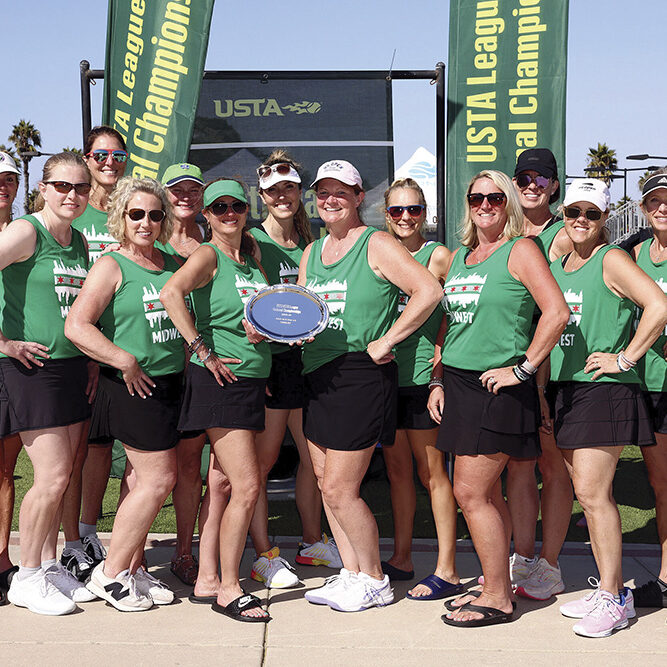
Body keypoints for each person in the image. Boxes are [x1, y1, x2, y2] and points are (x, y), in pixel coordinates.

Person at [299, 160, 442, 612]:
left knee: (342, 488)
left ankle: (375, 580)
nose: (331, 199)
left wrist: (390, 338)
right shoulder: (312, 251)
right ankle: (352, 572)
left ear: (360, 198)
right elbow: (304, 310)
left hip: (361, 374)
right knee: (325, 482)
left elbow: (428, 292)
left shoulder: (376, 243)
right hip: (317, 373)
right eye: (323, 192)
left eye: (342, 191)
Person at [432, 169, 569, 628]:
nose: (485, 205)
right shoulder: (461, 258)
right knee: (483, 492)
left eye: (494, 197)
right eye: (476, 197)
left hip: (499, 388)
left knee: (469, 492)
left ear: (508, 202)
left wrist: (524, 368)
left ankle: (496, 597)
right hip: (460, 385)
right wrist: (437, 382)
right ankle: (498, 584)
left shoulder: (521, 250)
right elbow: (450, 325)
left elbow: (557, 311)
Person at [549, 179, 667, 637]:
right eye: (573, 211)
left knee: (595, 496)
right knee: (588, 493)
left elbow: (657, 305)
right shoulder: (560, 264)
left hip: (605, 389)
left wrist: (626, 357)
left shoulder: (612, 258)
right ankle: (608, 590)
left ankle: (617, 598)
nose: (580, 219)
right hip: (567, 389)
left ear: (603, 221)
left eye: (591, 214)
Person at [65, 176, 184, 611]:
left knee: (138, 480)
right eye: (136, 214)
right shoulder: (111, 265)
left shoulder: (171, 265)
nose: (146, 222)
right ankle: (111, 575)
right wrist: (123, 359)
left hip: (172, 384)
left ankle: (134, 569)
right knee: (159, 479)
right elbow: (77, 325)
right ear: (120, 217)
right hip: (135, 385)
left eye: (155, 214)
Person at [160, 178, 272, 622]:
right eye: (219, 206)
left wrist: (260, 336)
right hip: (220, 383)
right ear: (205, 215)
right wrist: (202, 350)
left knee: (225, 485)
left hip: (248, 381)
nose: (229, 212)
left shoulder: (251, 261)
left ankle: (209, 577)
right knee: (246, 486)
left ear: (247, 210)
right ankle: (229, 588)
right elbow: (171, 293)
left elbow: (251, 320)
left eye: (236, 205)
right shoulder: (207, 254)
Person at [2, 152, 95, 615]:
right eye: (62, 186)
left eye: (80, 188)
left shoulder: (78, 241)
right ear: (43, 188)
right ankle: (27, 575)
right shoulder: (25, 231)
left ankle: (47, 563)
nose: (72, 195)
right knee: (52, 476)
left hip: (72, 369)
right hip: (32, 370)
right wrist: (4, 343)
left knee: (64, 478)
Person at [247, 150, 340, 590]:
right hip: (272, 368)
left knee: (314, 462)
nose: (282, 196)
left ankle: (310, 542)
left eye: (289, 188)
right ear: (261, 195)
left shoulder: (309, 245)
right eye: (273, 191)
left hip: (308, 366)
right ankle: (265, 554)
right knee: (261, 467)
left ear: (299, 192)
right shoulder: (251, 241)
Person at [378, 177, 462, 601]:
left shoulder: (439, 256)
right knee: (396, 473)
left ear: (425, 212)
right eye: (397, 211)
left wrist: (439, 372)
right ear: (386, 215)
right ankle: (403, 557)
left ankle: (447, 568)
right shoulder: (377, 251)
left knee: (433, 475)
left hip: (422, 380)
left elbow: (454, 315)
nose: (406, 218)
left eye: (413, 210)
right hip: (385, 379)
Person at [502, 148, 575, 600]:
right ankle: (524, 558)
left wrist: (542, 383)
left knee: (554, 467)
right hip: (513, 370)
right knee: (519, 467)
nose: (531, 185)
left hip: (552, 367)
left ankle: (549, 563)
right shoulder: (501, 232)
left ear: (553, 185)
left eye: (541, 178)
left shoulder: (564, 234)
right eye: (524, 177)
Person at [59, 126, 129, 583]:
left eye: (117, 154)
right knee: (71, 453)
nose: (109, 162)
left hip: (118, 350)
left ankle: (89, 530)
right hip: (76, 352)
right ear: (87, 158)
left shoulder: (127, 213)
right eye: (100, 154)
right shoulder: (72, 215)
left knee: (101, 449)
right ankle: (69, 545)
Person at [627, 171, 667, 609]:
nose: (662, 207)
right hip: (648, 386)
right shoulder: (635, 254)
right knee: (661, 486)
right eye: (654, 200)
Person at [0, 152, 23, 605]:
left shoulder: (21, 234)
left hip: (15, 372)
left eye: (8, 178)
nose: (2, 185)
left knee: (5, 472)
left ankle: (2, 560)